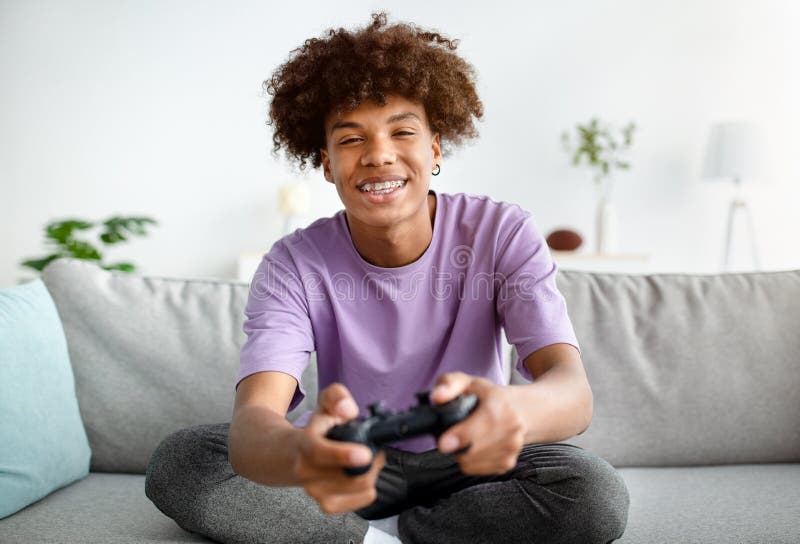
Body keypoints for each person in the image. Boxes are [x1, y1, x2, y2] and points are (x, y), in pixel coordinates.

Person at [145, 11, 630, 544]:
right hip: (352, 463)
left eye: (402, 131)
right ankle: (372, 539)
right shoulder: (292, 264)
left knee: (591, 492)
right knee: (185, 459)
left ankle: (384, 535)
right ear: (326, 163)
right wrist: (304, 452)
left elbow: (572, 392)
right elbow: (253, 428)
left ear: (435, 148)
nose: (378, 154)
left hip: (468, 464)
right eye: (351, 140)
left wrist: (513, 409)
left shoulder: (502, 232)